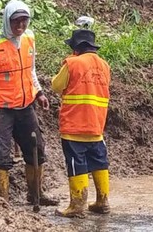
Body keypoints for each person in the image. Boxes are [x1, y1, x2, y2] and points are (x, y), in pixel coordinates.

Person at [0, 0, 58, 206]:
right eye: (16, 22)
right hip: (1, 109)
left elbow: (30, 70)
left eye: (24, 21)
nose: (20, 26)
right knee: (1, 154)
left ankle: (36, 194)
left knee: (36, 149)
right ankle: (1, 201)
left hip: (25, 106)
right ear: (7, 20)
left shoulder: (29, 38)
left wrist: (39, 92)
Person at [52, 28, 112, 218]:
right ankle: (102, 201)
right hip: (96, 125)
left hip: (74, 125)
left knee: (76, 163)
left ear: (76, 48)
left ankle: (77, 205)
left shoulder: (73, 63)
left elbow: (56, 85)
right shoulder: (105, 66)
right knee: (99, 162)